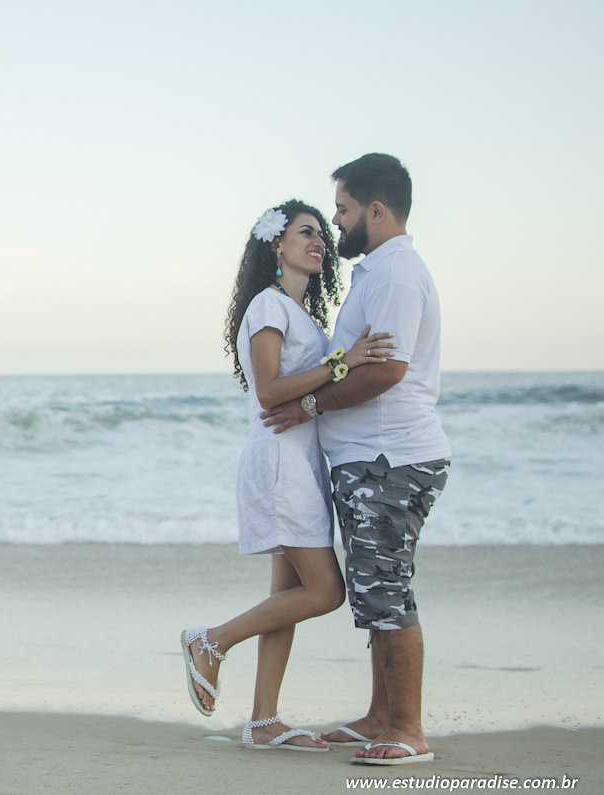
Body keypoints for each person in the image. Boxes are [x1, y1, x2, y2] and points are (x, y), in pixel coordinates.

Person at [180, 199, 395, 752]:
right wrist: (346, 362)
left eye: (322, 232)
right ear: (276, 244)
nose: (319, 240)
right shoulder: (268, 306)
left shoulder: (299, 315)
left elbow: (304, 389)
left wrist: (338, 364)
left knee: (288, 594)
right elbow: (272, 389)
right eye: (305, 232)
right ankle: (212, 640)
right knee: (325, 591)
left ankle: (263, 720)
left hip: (299, 460)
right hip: (279, 461)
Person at [260, 154, 451, 765]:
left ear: (375, 209)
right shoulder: (376, 272)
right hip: (371, 458)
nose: (336, 224)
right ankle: (379, 717)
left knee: (386, 592)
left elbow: (389, 371)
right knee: (375, 592)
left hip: (388, 457)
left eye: (341, 210)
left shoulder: (395, 274)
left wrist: (311, 405)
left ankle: (409, 732)